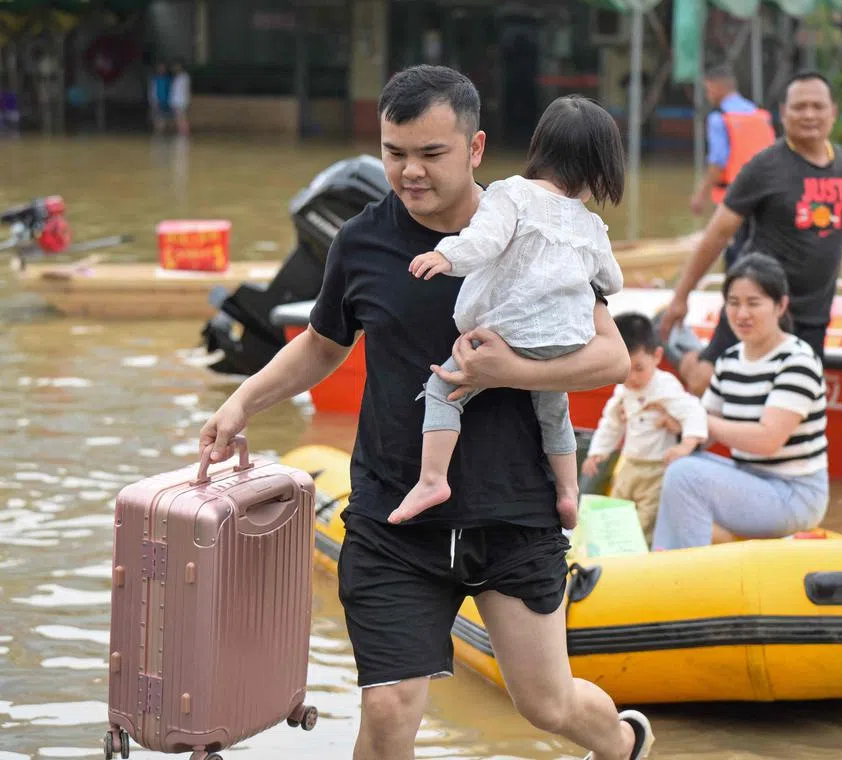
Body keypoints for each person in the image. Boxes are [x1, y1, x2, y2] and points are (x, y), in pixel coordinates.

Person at [197, 65, 653, 760]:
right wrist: (240, 402)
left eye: (430, 155)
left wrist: (516, 372)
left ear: (474, 148)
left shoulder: (534, 226)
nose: (409, 172)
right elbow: (323, 346)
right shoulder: (361, 242)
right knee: (388, 708)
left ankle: (622, 743)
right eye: (394, 152)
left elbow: (611, 358)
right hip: (394, 514)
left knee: (545, 702)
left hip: (513, 509)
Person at [389, 95, 626, 530]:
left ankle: (432, 479)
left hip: (507, 334)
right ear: (599, 168)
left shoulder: (512, 193)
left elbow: (484, 241)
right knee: (554, 409)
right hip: (565, 341)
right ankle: (569, 492)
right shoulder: (591, 225)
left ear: (540, 148)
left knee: (443, 390)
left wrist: (447, 256)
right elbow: (611, 281)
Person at [660, 71, 842, 396]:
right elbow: (717, 233)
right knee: (706, 382)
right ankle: (685, 355)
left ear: (833, 112)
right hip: (756, 305)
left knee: (797, 399)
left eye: (818, 106)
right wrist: (680, 297)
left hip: (813, 313)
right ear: (784, 114)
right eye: (799, 107)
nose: (809, 115)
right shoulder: (764, 167)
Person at [652, 253, 829, 551]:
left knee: (686, 475)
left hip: (795, 494)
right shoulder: (730, 359)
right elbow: (702, 430)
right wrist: (677, 423)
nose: (742, 313)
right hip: (750, 480)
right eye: (733, 303)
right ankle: (670, 559)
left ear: (780, 305)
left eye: (753, 303)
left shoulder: (797, 361)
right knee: (672, 462)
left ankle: (684, 576)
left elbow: (768, 440)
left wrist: (702, 421)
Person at [582, 313, 708, 543]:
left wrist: (687, 444)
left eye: (639, 368)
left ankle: (640, 554)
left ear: (657, 356)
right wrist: (597, 452)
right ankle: (615, 548)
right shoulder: (623, 390)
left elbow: (692, 410)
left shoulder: (665, 385)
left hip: (656, 467)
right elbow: (611, 423)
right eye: (625, 368)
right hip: (630, 463)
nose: (632, 377)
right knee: (618, 507)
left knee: (647, 518)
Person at [689, 64, 776, 217]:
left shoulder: (720, 118)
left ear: (717, 87)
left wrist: (701, 195)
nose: (708, 96)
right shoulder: (761, 115)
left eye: (708, 90)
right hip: (765, 195)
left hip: (733, 198)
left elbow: (718, 162)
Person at [169, 61, 191, 137]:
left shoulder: (185, 77)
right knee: (178, 118)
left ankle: (184, 133)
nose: (175, 68)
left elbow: (185, 90)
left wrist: (186, 101)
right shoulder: (176, 77)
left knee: (182, 118)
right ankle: (181, 132)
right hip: (176, 101)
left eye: (177, 66)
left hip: (182, 101)